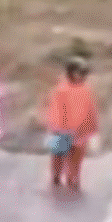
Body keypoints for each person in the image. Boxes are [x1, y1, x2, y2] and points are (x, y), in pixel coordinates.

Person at [45, 55, 99, 194]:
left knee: (76, 156)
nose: (81, 76)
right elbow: (56, 110)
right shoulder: (61, 89)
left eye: (83, 73)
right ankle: (56, 176)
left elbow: (90, 109)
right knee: (58, 155)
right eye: (79, 73)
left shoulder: (86, 90)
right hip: (62, 129)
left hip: (80, 130)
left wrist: (91, 126)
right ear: (70, 73)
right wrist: (57, 127)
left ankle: (73, 178)